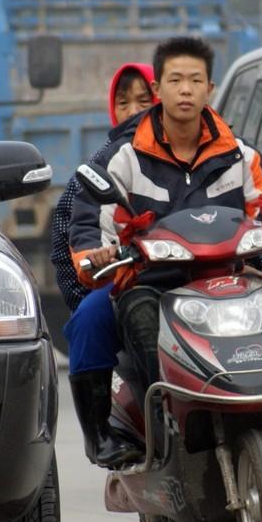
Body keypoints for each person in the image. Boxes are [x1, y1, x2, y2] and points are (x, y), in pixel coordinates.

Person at [69, 36, 262, 419]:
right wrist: (95, 256)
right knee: (93, 319)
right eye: (176, 80)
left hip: (227, 280)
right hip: (148, 281)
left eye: (196, 81)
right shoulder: (123, 158)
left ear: (210, 89)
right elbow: (90, 223)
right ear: (158, 88)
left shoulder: (239, 155)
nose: (186, 90)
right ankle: (146, 421)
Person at [50, 63, 156, 468]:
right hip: (129, 283)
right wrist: (94, 276)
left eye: (144, 101)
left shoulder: (206, 148)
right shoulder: (100, 165)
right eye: (123, 102)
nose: (133, 111)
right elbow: (67, 240)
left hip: (199, 280)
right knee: (90, 316)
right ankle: (99, 435)